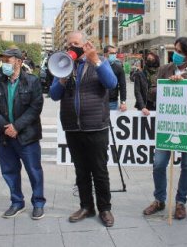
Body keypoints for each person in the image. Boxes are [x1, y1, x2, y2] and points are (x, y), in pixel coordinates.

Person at [50, 31, 117, 227]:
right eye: (69, 43)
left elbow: (111, 84)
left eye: (76, 43)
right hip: (73, 127)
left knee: (99, 170)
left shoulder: (99, 62)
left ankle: (105, 209)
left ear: (85, 44)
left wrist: (95, 59)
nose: (72, 46)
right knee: (81, 171)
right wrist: (62, 77)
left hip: (96, 126)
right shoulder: (63, 64)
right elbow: (54, 95)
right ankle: (86, 206)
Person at [143, 37, 187, 219]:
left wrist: (185, 90)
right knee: (158, 164)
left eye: (180, 52)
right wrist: (167, 88)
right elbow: (151, 92)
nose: (176, 54)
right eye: (175, 50)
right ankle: (159, 199)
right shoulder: (164, 70)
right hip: (167, 126)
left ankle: (181, 202)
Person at [0, 48, 46, 220]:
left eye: (8, 60)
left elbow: (36, 107)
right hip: (5, 137)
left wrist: (17, 127)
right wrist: (6, 126)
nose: (4, 63)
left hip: (27, 136)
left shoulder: (32, 81)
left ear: (19, 62)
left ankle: (38, 203)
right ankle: (17, 202)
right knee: (9, 171)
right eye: (3, 60)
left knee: (34, 171)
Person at [104, 45, 127, 111]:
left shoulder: (119, 68)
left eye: (115, 53)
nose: (114, 55)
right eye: (111, 53)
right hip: (99, 101)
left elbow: (123, 86)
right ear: (105, 54)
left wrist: (123, 102)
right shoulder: (99, 66)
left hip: (112, 102)